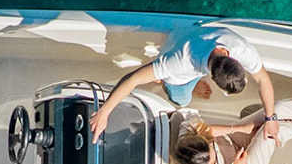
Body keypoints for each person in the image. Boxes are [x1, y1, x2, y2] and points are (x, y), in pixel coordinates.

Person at [90, 23, 277, 140]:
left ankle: (177, 79)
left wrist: (271, 118)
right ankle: (163, 81)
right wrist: (104, 113)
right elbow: (133, 79)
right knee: (181, 100)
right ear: (212, 78)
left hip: (192, 35)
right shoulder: (178, 63)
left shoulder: (241, 49)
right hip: (177, 65)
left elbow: (263, 79)